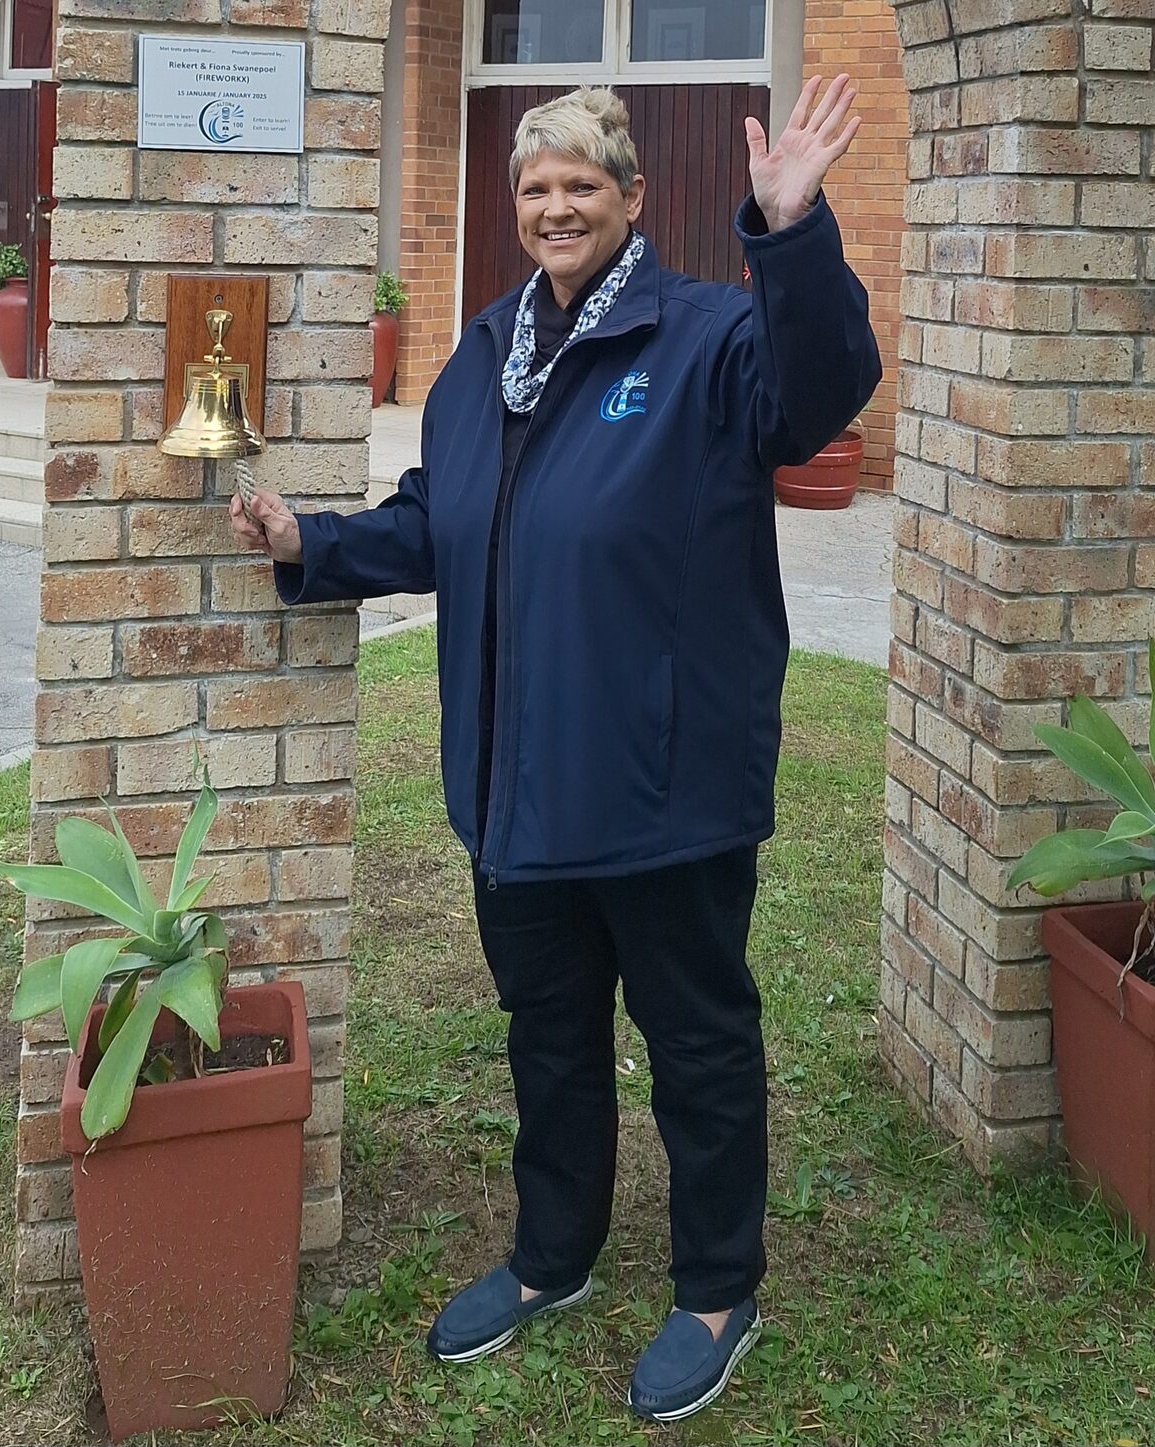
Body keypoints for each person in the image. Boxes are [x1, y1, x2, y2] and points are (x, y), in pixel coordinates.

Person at [230, 76, 880, 1423]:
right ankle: (552, 1255)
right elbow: (439, 520)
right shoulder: (483, 359)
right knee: (549, 1037)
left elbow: (819, 395)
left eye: (581, 181)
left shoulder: (708, 341)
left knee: (696, 1041)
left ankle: (716, 1287)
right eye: (534, 187)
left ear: (633, 199)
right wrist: (315, 546)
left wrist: (794, 229)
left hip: (662, 791)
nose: (555, 205)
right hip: (513, 794)